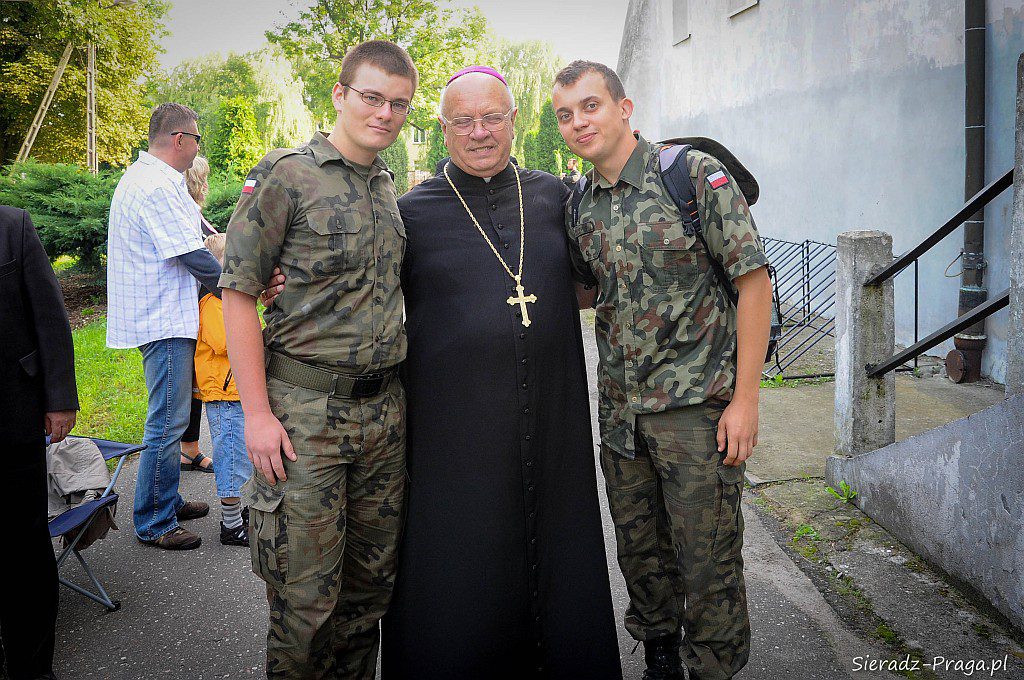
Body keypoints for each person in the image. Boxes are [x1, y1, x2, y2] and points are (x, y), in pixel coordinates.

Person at [379, 66, 621, 679]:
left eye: (492, 118)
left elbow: (610, 267)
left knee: (558, 551)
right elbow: (358, 287)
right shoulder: (410, 214)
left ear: (513, 120)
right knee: (463, 564)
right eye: (464, 121)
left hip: (553, 418)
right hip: (455, 432)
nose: (480, 132)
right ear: (443, 128)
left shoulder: (555, 198)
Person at [552, 61, 772, 680]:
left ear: (624, 108)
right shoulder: (581, 205)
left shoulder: (691, 176)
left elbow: (754, 285)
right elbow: (588, 290)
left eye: (590, 106)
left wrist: (745, 401)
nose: (578, 122)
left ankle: (714, 668)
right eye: (565, 115)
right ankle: (660, 657)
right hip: (622, 418)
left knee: (708, 562)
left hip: (697, 414)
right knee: (641, 553)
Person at [219, 40, 416, 678]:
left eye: (399, 104)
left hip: (383, 419)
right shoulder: (287, 174)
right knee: (305, 605)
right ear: (340, 94)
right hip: (305, 420)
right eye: (372, 97)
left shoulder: (386, 185)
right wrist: (255, 414)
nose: (385, 113)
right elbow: (237, 294)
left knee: (367, 596)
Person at [0, 206, 78, 680]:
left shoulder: (13, 226)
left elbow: (50, 318)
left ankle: (32, 669)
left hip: (11, 417)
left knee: (23, 552)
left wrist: (60, 399)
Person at [194, 232, 253, 546]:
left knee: (241, 455)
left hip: (233, 392)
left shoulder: (226, 301)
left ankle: (239, 513)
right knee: (231, 457)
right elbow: (226, 342)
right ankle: (231, 526)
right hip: (223, 393)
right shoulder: (213, 302)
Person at [180, 155, 219, 474]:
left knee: (192, 385)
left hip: (197, 305)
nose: (206, 185)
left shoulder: (193, 211)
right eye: (202, 179)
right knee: (190, 385)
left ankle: (189, 450)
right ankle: (186, 450)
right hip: (194, 307)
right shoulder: (186, 212)